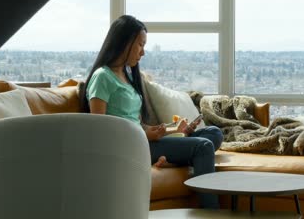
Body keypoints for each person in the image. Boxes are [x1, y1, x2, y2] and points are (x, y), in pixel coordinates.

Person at [80, 15, 224, 209]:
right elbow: (100, 130)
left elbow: (135, 122)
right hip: (129, 147)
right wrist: (144, 133)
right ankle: (210, 213)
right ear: (125, 42)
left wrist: (167, 130)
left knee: (214, 132)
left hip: (144, 141)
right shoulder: (102, 77)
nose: (143, 52)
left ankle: (174, 160)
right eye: (140, 45)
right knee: (204, 146)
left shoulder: (127, 76)